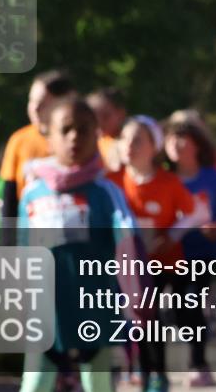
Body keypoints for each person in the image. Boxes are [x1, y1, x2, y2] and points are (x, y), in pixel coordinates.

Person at [17, 98, 144, 392]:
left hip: (94, 311)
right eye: (66, 130)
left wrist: (134, 297)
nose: (75, 137)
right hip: (46, 312)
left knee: (98, 383)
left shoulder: (106, 192)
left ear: (97, 136)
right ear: (48, 136)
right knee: (36, 383)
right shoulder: (32, 194)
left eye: (84, 130)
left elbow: (129, 245)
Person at [111, 115, 208, 392]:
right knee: (138, 318)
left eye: (138, 139)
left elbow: (196, 212)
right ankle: (143, 370)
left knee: (170, 314)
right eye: (125, 138)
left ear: (153, 146)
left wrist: (169, 236)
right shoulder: (112, 181)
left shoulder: (167, 182)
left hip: (167, 263)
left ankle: (163, 373)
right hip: (131, 266)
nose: (129, 145)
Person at [166, 115, 216, 387]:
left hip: (204, 254)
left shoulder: (210, 177)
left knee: (193, 301)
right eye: (171, 137)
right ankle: (195, 349)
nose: (176, 143)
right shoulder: (166, 179)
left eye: (183, 137)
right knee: (179, 309)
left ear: (197, 145)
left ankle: (198, 362)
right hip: (173, 256)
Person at [0, 70, 76, 219]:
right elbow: (9, 197)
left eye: (43, 102)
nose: (35, 108)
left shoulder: (78, 138)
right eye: (32, 100)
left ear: (64, 101)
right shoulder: (19, 140)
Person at [87, 87, 128, 173]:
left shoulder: (129, 143)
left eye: (105, 116)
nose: (99, 122)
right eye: (94, 117)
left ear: (121, 114)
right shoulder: (91, 143)